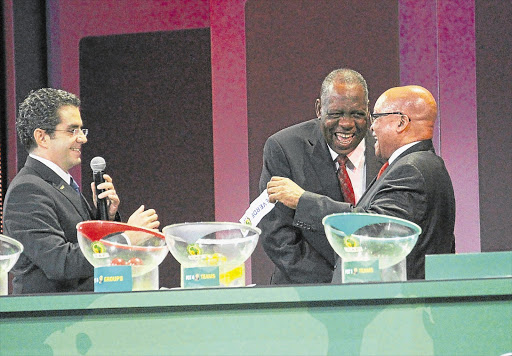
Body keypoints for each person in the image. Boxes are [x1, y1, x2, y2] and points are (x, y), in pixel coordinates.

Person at [266, 85, 455, 281]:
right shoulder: (424, 163)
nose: (372, 127)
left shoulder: (412, 169)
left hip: (400, 301)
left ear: (401, 122)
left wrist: (302, 200)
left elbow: (372, 227)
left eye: (378, 117)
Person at [3, 88, 160, 294]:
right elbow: (61, 262)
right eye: (72, 130)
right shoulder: (27, 190)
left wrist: (105, 216)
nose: (82, 139)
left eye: (81, 130)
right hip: (54, 320)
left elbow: (84, 248)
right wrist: (126, 239)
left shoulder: (59, 184)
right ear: (42, 137)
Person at [259, 68, 383, 284]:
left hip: (378, 288)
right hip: (305, 292)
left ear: (368, 111)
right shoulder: (284, 148)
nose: (346, 123)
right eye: (336, 114)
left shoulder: (385, 152)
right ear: (319, 109)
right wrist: (338, 283)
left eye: (357, 114)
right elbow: (277, 235)